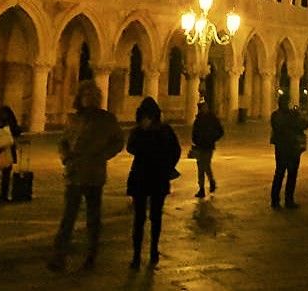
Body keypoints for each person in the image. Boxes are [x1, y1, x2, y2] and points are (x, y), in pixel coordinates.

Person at [47, 80, 124, 272]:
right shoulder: (74, 119)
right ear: (80, 98)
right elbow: (63, 141)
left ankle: (91, 254)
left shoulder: (107, 119)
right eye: (86, 95)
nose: (90, 98)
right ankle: (59, 255)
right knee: (68, 216)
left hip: (94, 174)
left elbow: (117, 142)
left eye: (93, 95)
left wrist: (103, 155)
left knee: (93, 216)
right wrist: (65, 157)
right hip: (74, 173)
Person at [125, 97, 181, 269]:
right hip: (147, 178)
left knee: (153, 217)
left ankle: (152, 250)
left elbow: (175, 150)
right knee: (141, 218)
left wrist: (166, 165)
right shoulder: (144, 131)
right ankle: (137, 254)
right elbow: (131, 147)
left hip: (152, 177)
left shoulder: (163, 130)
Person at [269, 96, 308, 209]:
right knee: (288, 175)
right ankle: (287, 200)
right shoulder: (290, 115)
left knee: (281, 174)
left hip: (283, 148)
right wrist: (297, 115)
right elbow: (304, 125)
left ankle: (277, 201)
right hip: (291, 148)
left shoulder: (276, 115)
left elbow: (305, 124)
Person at [191, 101, 224, 198]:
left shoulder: (212, 119)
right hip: (199, 146)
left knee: (205, 165)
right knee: (201, 168)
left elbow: (220, 131)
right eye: (202, 108)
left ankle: (211, 181)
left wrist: (213, 138)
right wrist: (195, 141)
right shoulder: (198, 119)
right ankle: (202, 188)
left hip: (208, 146)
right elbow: (194, 132)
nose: (204, 109)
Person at [0, 105, 21, 204]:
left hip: (8, 151)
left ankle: (4, 195)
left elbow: (17, 132)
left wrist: (9, 128)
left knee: (6, 174)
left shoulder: (11, 124)